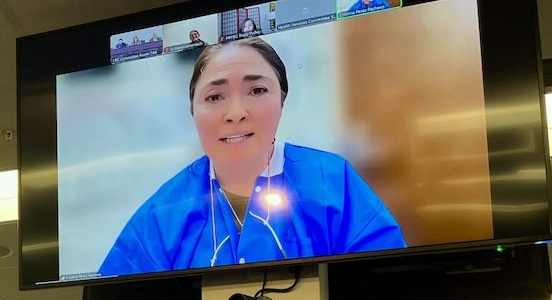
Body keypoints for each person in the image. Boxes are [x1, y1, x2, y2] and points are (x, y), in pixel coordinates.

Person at [99, 38, 406, 276]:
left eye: (257, 90)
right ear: (193, 111)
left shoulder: (332, 182)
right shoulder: (162, 214)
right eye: (214, 97)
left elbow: (389, 284)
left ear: (282, 101)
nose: (235, 113)